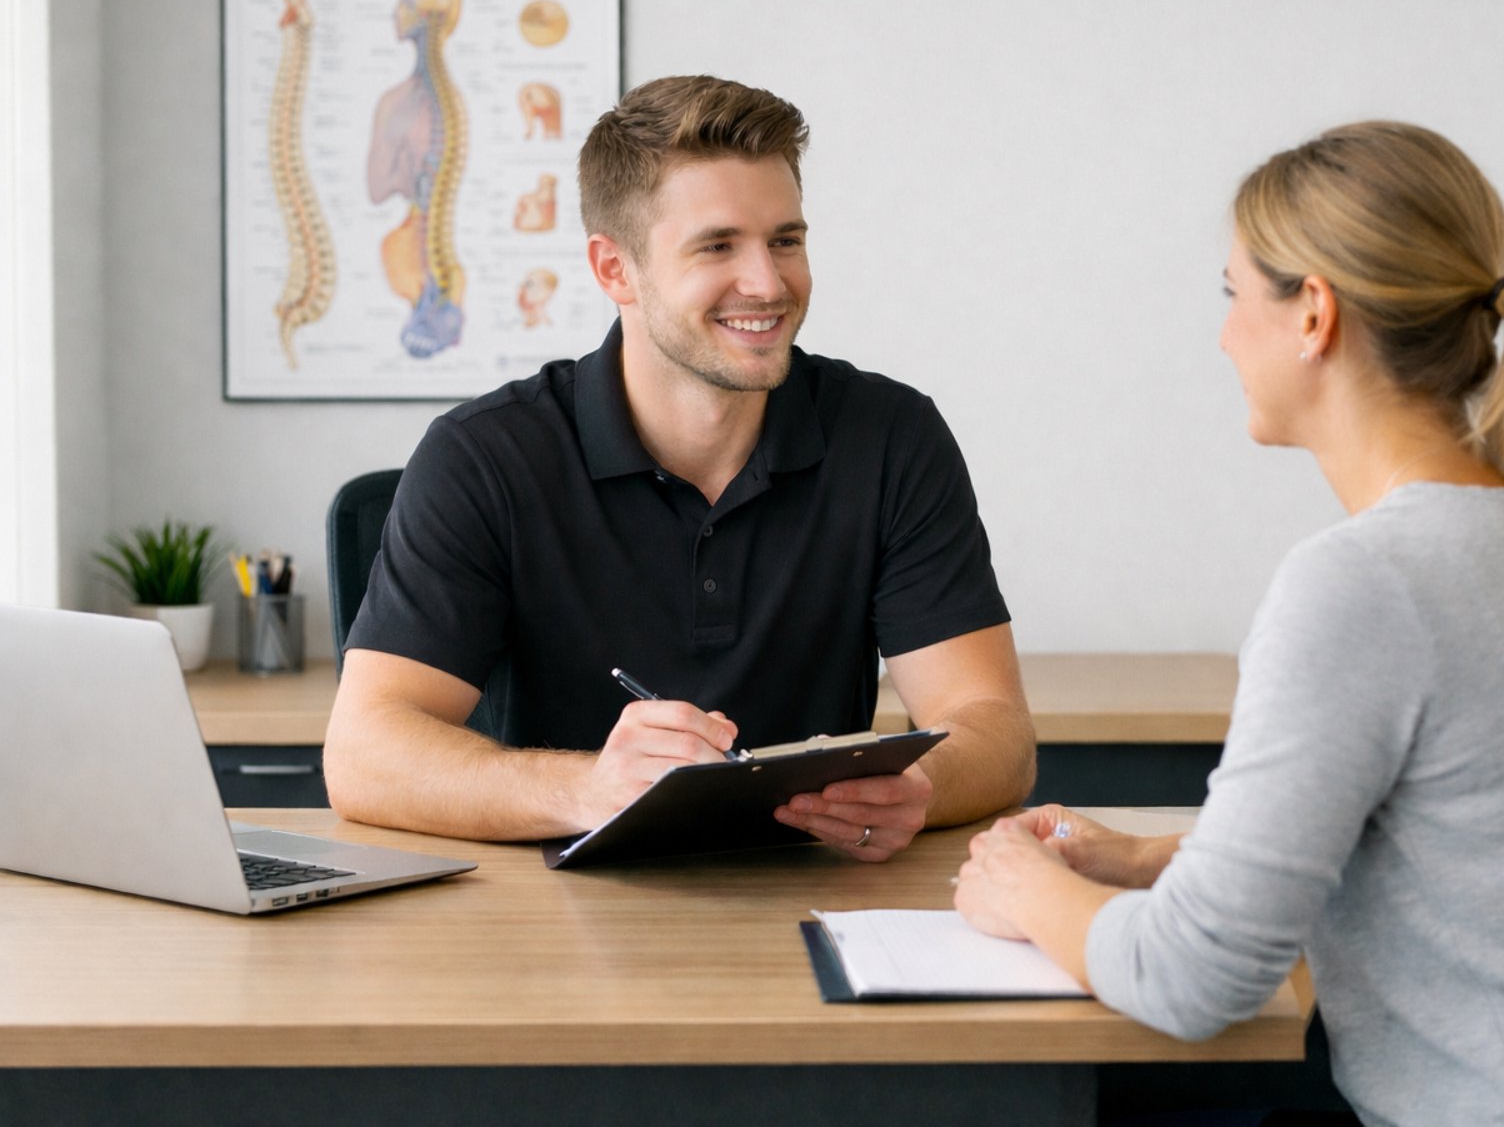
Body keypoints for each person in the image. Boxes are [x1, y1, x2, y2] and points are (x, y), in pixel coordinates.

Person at [953, 122, 1504, 1126]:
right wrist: (1152, 864)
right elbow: (1488, 869)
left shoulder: (1367, 585)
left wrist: (1021, 885)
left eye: (1234, 294)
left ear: (1313, 311)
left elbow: (1193, 979)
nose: (1225, 333)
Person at [326, 75, 1036, 859]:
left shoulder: (892, 436)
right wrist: (594, 787)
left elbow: (995, 731)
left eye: (786, 240)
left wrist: (922, 789)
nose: (769, 284)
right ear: (614, 270)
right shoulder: (485, 455)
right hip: (556, 920)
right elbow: (364, 756)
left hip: (816, 898)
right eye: (717, 246)